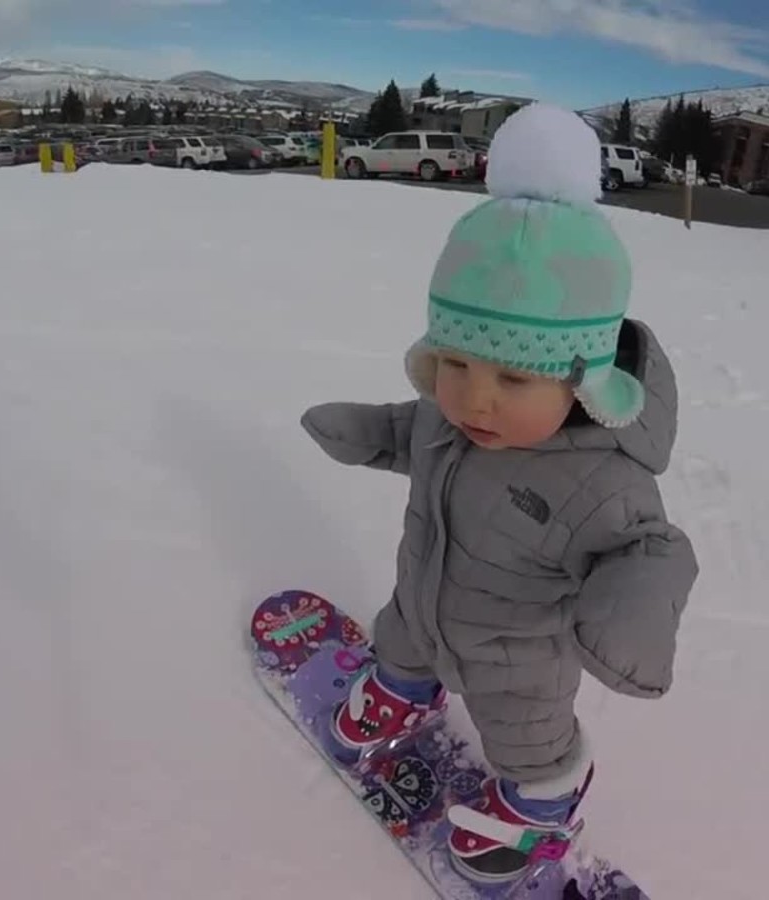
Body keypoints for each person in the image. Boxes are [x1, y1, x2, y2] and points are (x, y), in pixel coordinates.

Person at [300, 103, 698, 884]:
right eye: (454, 366)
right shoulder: (450, 420)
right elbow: (413, 430)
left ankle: (547, 797)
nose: (474, 401)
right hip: (424, 600)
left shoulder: (600, 478)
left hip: (519, 655)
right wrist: (371, 432)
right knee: (401, 639)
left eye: (513, 377)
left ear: (581, 379)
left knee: (527, 735)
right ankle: (403, 692)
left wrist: (633, 609)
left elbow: (651, 548)